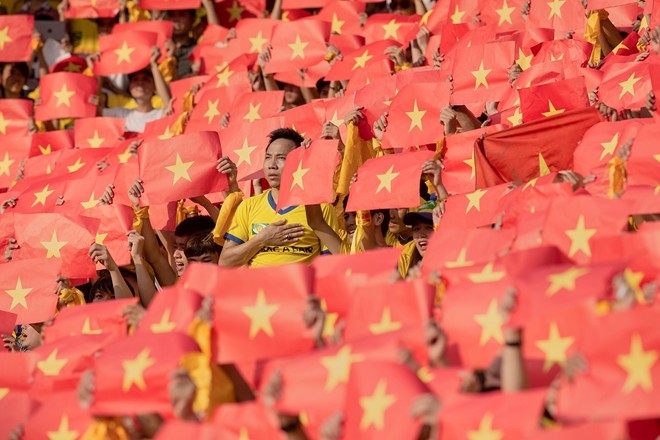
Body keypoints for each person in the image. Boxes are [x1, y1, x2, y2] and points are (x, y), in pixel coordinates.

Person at [220, 128, 340, 267]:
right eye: (268, 157)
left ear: (299, 162)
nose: (272, 165)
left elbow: (332, 264)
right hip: (259, 288)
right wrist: (262, 240)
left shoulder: (321, 209)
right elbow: (225, 262)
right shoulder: (248, 206)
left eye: (281, 158)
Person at [100, 47, 172, 133]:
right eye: (135, 79)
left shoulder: (160, 114)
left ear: (154, 86)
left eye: (146, 79)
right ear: (129, 87)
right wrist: (96, 67)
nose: (140, 83)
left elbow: (168, 104)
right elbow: (95, 112)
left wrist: (154, 66)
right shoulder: (121, 114)